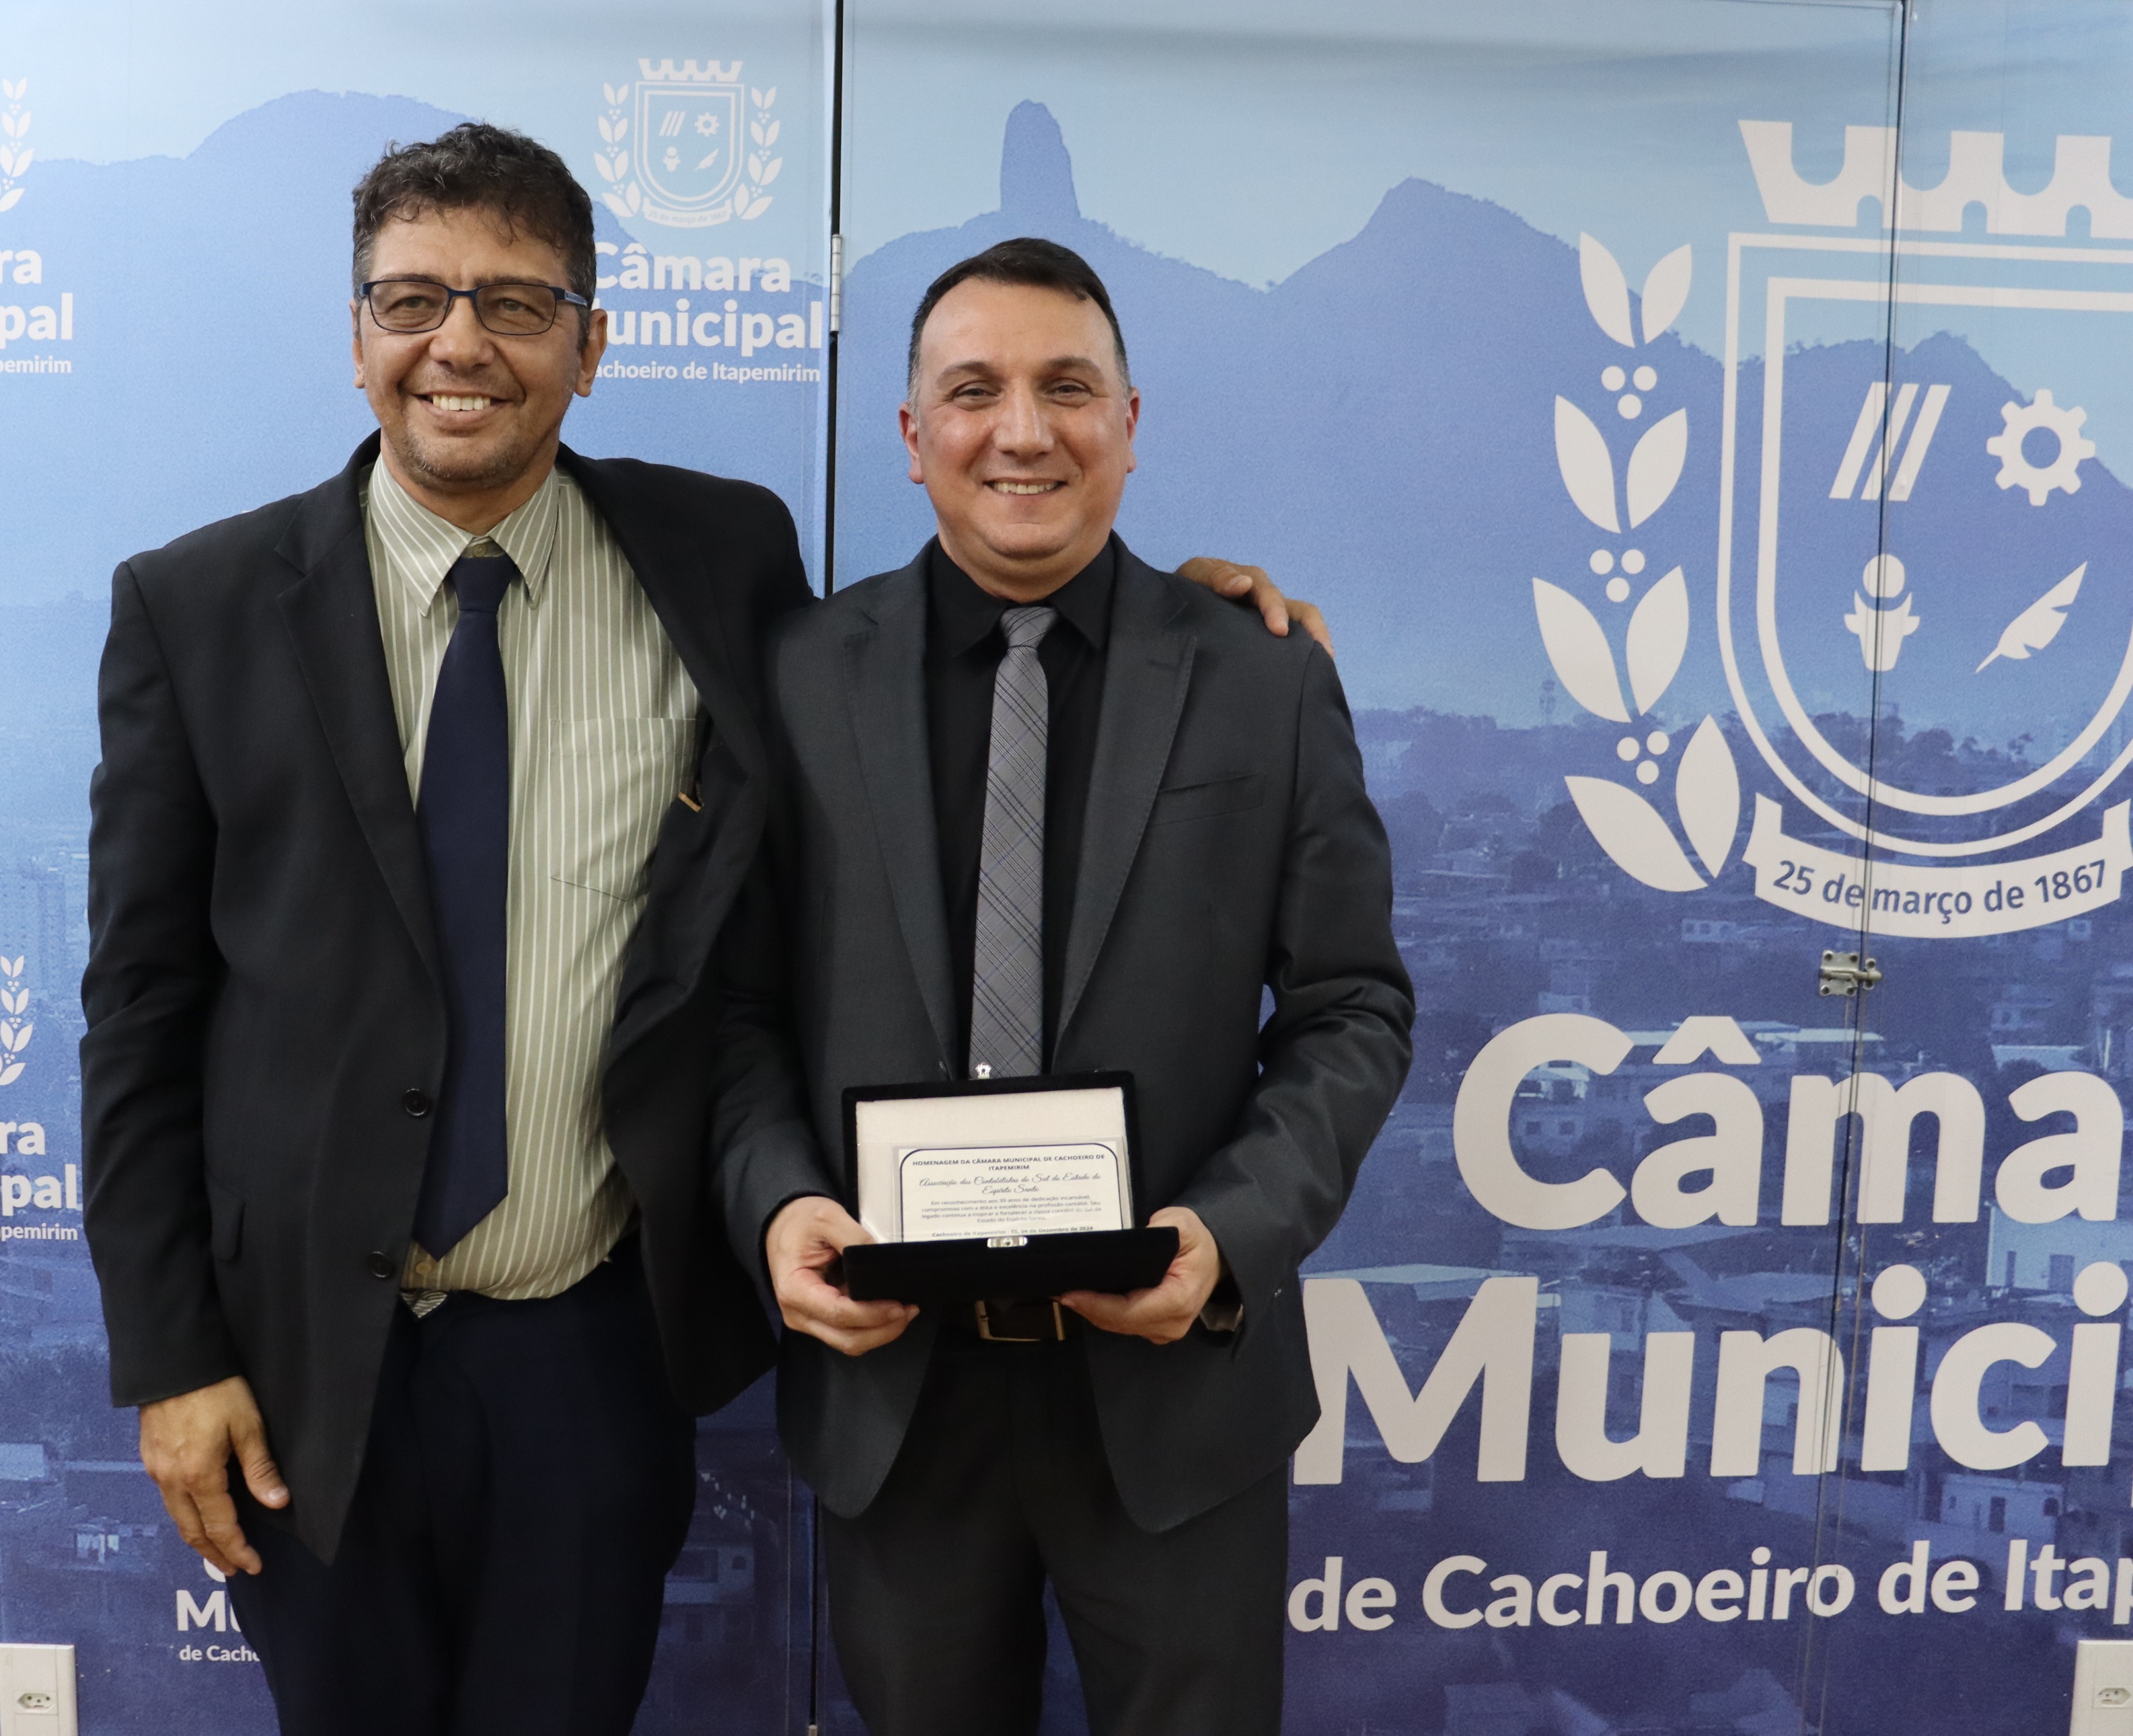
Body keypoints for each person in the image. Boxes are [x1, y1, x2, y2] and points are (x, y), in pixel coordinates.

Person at [82, 121, 1325, 1736]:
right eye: (411, 299)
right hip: (303, 1362)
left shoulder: (721, 562)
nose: (458, 343)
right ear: (357, 331)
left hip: (590, 1349)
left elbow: (971, 663)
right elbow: (139, 1016)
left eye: (515, 304)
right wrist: (169, 1358)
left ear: (590, 346)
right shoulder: (193, 608)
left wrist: (1179, 617)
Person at [712, 237, 1415, 1736]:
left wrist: (1224, 1238)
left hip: (1178, 1394)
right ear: (913, 436)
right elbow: (732, 1010)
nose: (1022, 430)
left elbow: (1352, 1010)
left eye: (1068, 388)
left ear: (1130, 423)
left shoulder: (1264, 677)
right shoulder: (794, 677)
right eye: (974, 391)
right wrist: (776, 1204)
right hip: (896, 1395)